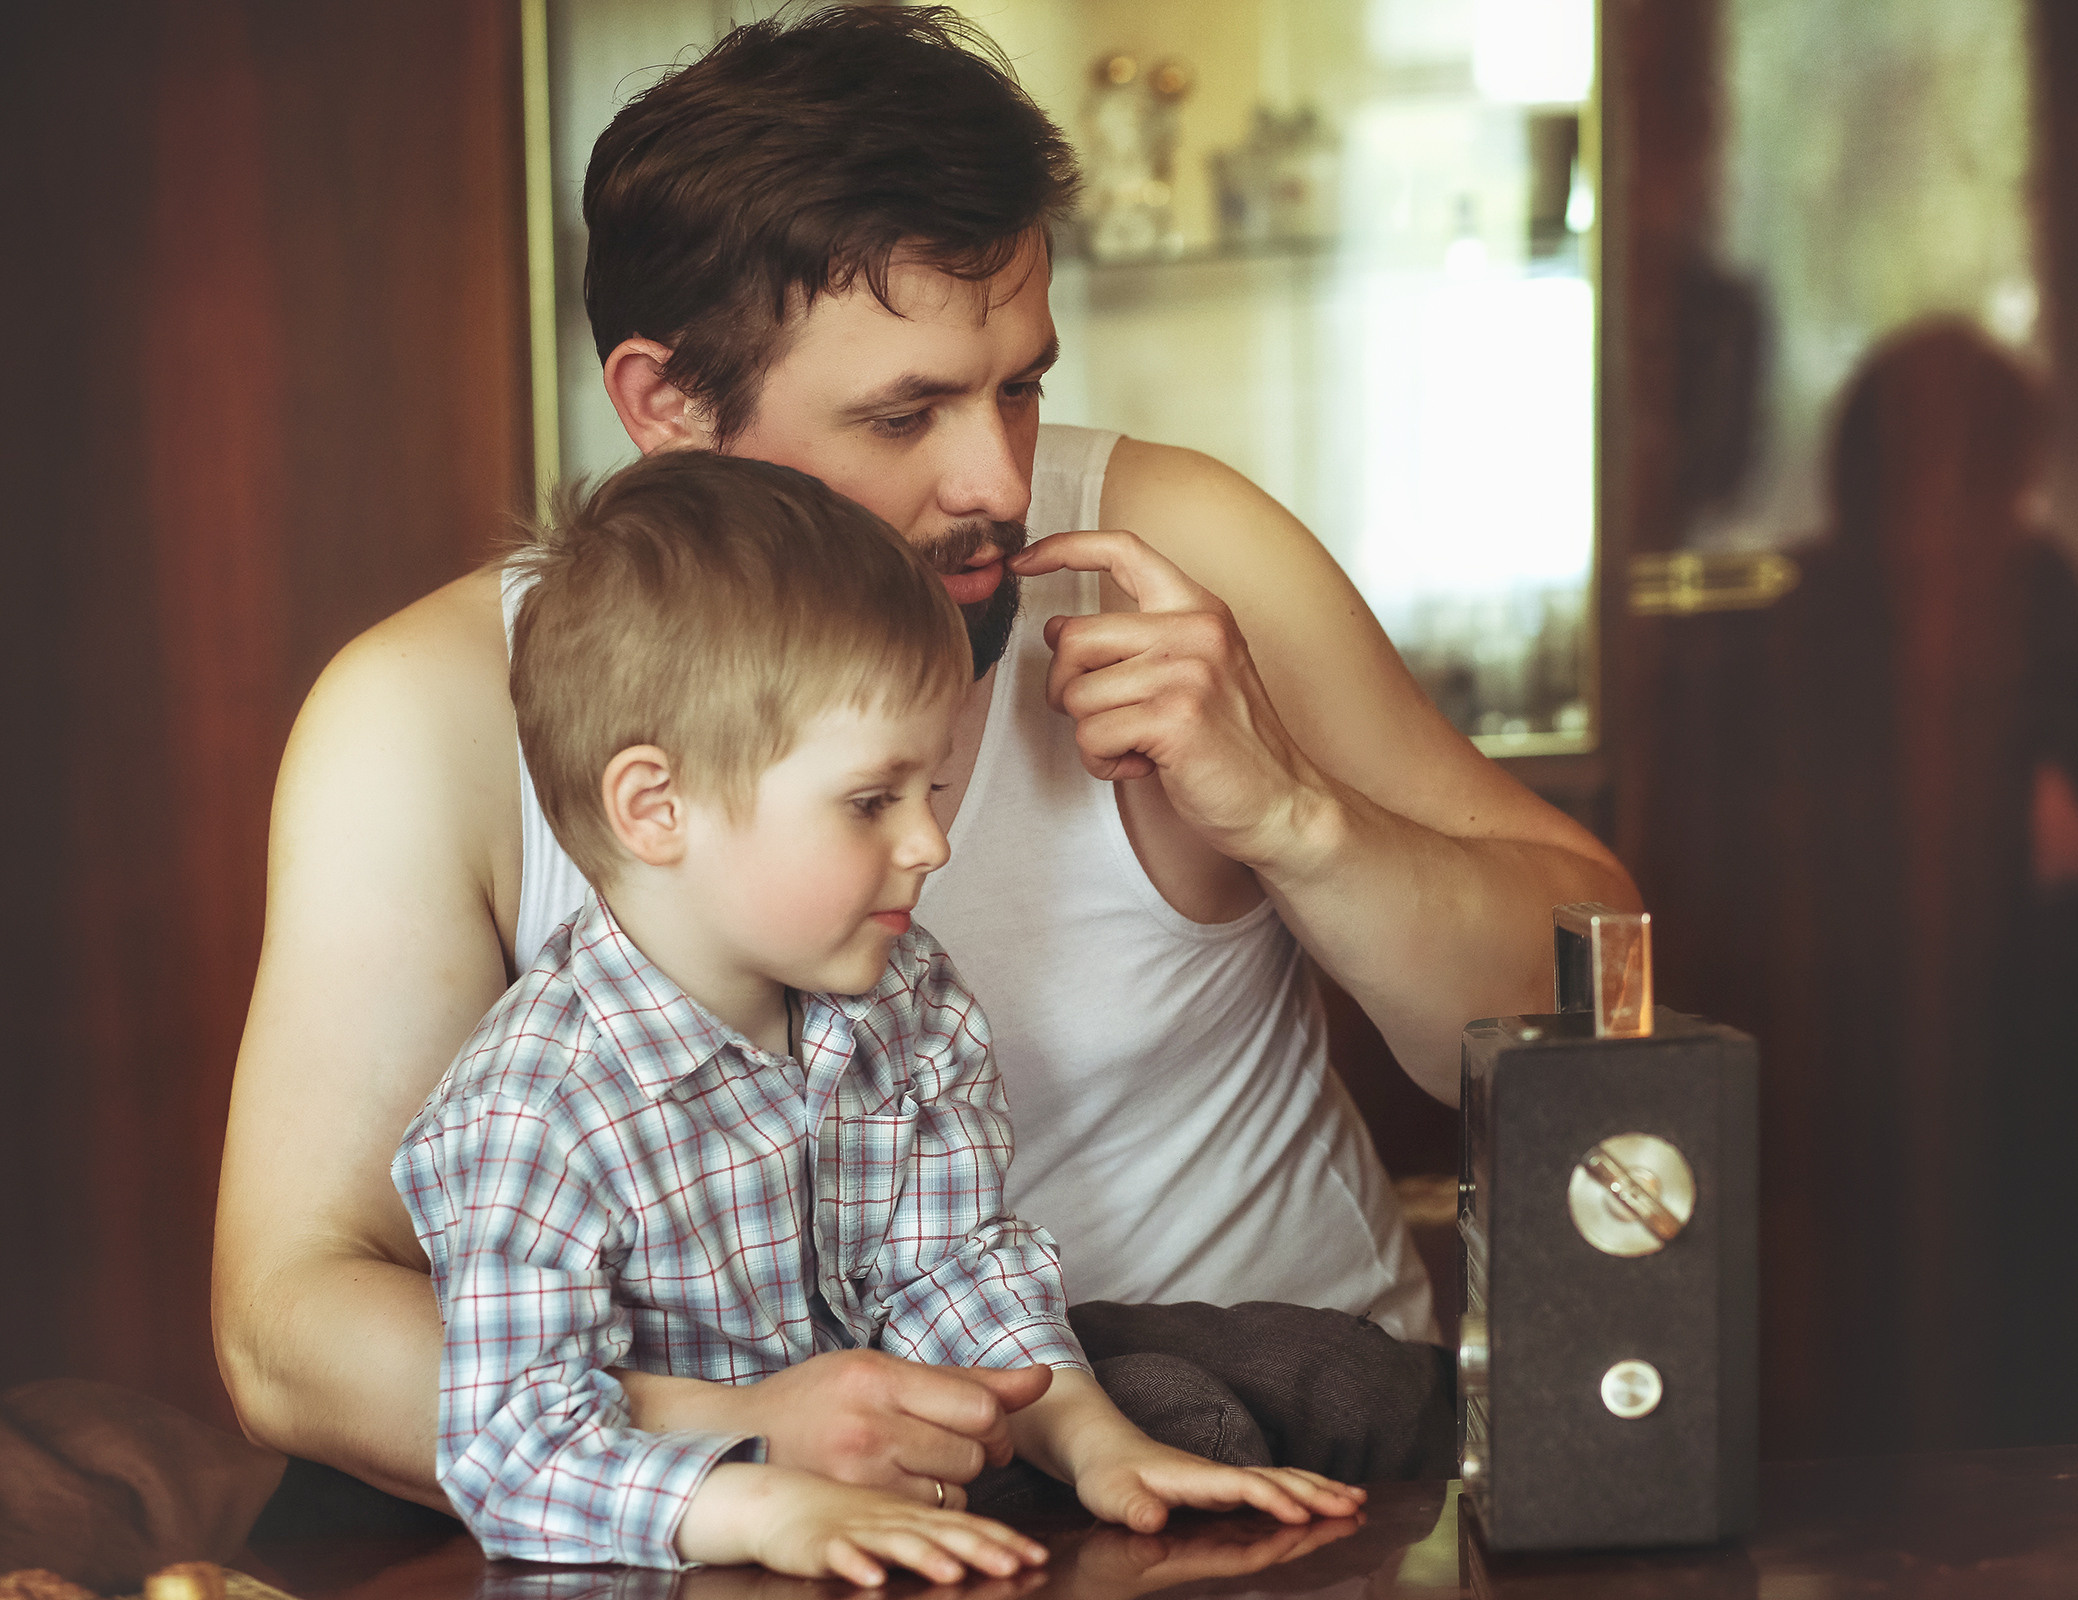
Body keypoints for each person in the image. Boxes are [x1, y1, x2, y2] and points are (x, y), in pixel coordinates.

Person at [214, 6, 1635, 1509]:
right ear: (665, 408)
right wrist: (739, 1430)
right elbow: (287, 1326)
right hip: (782, 1509)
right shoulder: (431, 716)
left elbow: (1594, 1013)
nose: (1000, 480)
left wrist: (1299, 819)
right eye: (905, 414)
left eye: (1018, 381)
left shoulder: (1182, 553)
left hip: (1277, 1458)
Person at [396, 452, 1360, 1577]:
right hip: (664, 1553)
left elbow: (950, 1270)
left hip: (893, 1513)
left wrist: (1098, 1445)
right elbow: (510, 1444)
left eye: (933, 787)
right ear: (656, 808)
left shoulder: (909, 1000)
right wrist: (767, 1510)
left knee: (1287, 1374)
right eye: (872, 801)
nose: (930, 843)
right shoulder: (536, 1106)